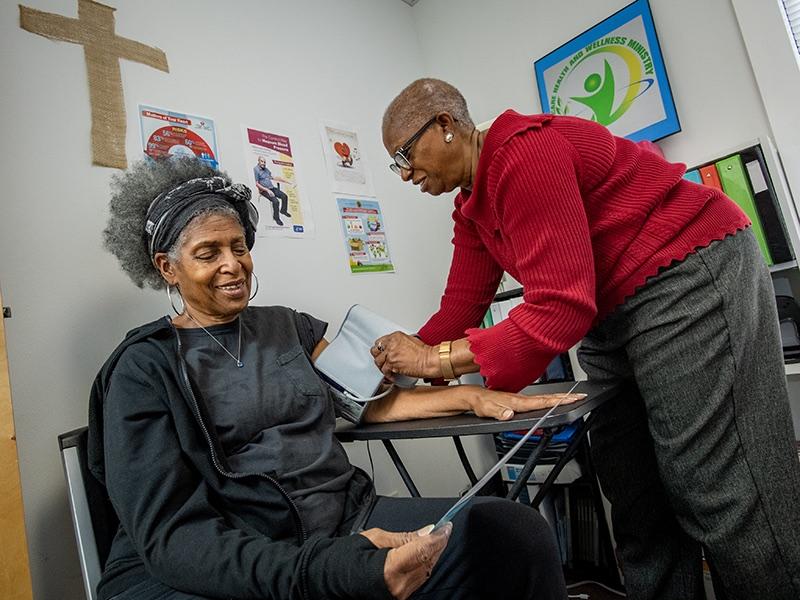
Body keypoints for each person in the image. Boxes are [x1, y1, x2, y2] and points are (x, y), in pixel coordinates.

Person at [374, 78, 800, 600]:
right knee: (634, 494)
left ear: (445, 126)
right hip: (613, 311)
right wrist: (404, 350)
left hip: (686, 272)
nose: (405, 174)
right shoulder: (471, 205)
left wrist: (433, 360)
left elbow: (558, 307)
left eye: (404, 155)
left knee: (719, 488)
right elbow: (462, 305)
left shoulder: (524, 153)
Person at [89, 156, 580, 600]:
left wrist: (472, 397)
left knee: (513, 532)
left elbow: (364, 402)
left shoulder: (288, 327)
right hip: (242, 548)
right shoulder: (141, 368)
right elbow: (173, 538)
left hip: (344, 519)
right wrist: (332, 568)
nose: (231, 264)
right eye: (207, 252)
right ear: (166, 268)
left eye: (238, 245)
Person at [254, 155, 291, 226]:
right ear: (258, 161)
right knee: (276, 201)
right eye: (262, 161)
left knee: (284, 196)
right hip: (264, 190)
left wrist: (286, 181)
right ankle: (276, 218)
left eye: (264, 162)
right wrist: (267, 190)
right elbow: (257, 184)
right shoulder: (256, 170)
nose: (263, 163)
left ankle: (283, 211)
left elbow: (272, 177)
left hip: (272, 188)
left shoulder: (266, 170)